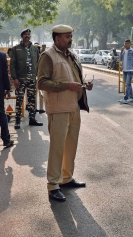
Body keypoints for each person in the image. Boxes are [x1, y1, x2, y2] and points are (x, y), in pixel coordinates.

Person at [37, 24, 93, 202]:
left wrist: (84, 84)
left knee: (71, 146)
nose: (70, 39)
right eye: (67, 36)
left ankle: (66, 178)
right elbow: (42, 83)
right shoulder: (48, 56)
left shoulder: (72, 55)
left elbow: (75, 78)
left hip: (74, 106)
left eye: (70, 36)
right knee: (57, 148)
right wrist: (67, 86)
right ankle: (53, 185)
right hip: (58, 108)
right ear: (57, 38)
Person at [10, 29, 43, 129]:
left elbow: (38, 63)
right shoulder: (16, 49)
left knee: (32, 100)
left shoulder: (34, 49)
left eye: (28, 34)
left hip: (32, 79)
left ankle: (32, 119)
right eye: (25, 34)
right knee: (19, 100)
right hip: (20, 79)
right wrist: (14, 78)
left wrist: (38, 77)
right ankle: (17, 121)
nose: (27, 36)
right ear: (22, 36)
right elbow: (12, 65)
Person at [119, 39, 133, 104]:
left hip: (130, 70)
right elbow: (120, 59)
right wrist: (121, 52)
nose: (126, 45)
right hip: (124, 70)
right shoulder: (123, 51)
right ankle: (131, 97)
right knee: (128, 84)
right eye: (125, 44)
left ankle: (126, 97)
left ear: (130, 44)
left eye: (127, 44)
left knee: (127, 84)